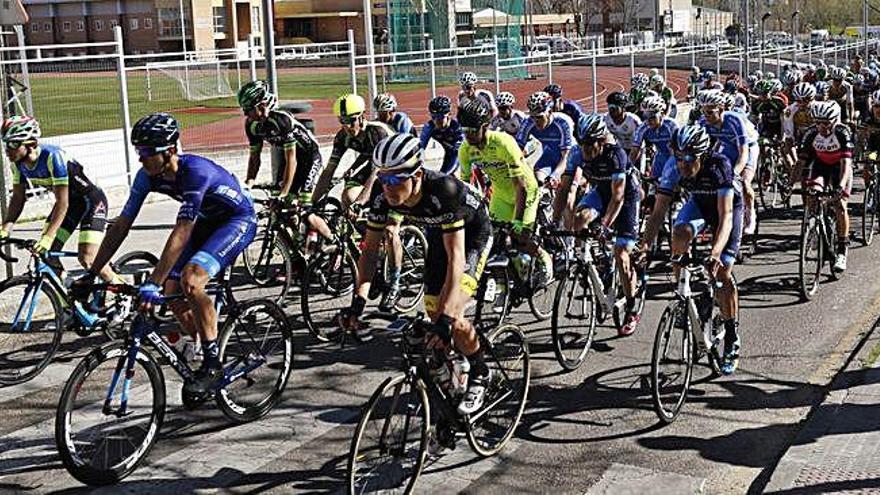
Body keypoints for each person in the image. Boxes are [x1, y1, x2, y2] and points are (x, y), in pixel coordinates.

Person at [76, 113, 257, 393]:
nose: (140, 158)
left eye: (147, 152)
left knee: (192, 280)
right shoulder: (147, 176)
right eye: (138, 151)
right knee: (173, 293)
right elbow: (122, 225)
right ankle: (203, 347)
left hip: (236, 220)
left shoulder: (195, 172)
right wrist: (92, 274)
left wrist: (151, 282)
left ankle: (212, 364)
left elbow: (182, 231)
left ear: (170, 150)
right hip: (206, 222)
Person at [338, 133, 494, 416]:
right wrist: (357, 303)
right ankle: (454, 363)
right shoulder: (382, 198)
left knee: (453, 317)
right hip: (438, 232)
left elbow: (456, 258)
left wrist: (448, 317)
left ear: (417, 174)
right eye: (383, 178)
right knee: (433, 312)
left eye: (396, 179)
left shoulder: (443, 191)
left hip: (472, 234)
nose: (387, 186)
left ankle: (481, 371)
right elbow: (371, 253)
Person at [639, 125, 744, 375]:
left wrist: (715, 253)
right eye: (678, 157)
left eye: (689, 158)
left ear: (702, 154)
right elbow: (658, 213)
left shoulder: (719, 166)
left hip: (727, 209)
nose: (683, 165)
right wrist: (644, 245)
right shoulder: (673, 167)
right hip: (698, 204)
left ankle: (732, 336)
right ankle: (682, 293)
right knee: (679, 233)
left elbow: (726, 215)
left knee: (722, 273)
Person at [0, 115, 120, 291]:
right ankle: (70, 300)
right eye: (5, 144)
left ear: (31, 144)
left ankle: (123, 294)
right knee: (46, 255)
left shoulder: (52, 157)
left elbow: (62, 202)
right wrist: (5, 227)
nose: (7, 150)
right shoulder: (18, 164)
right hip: (70, 206)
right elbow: (18, 198)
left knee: (88, 258)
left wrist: (48, 237)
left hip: (92, 202)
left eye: (13, 144)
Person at [311, 94, 404, 311]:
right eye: (342, 122)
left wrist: (362, 202)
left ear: (362, 117)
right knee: (347, 197)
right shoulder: (342, 137)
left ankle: (395, 282)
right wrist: (313, 202)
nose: (347, 126)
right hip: (374, 169)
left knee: (390, 229)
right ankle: (369, 243)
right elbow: (328, 172)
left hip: (397, 172)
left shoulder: (378, 132)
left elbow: (375, 174)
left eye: (351, 121)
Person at [458, 98, 553, 285]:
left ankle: (543, 258)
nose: (468, 136)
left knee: (520, 237)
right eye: (464, 131)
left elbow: (521, 186)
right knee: (492, 239)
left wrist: (517, 221)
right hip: (500, 194)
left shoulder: (504, 143)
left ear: (485, 127)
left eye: (472, 130)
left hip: (525, 191)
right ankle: (504, 286)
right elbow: (464, 187)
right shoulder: (465, 150)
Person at [565, 113, 643, 335]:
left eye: (590, 144)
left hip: (626, 197)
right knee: (580, 219)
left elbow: (618, 197)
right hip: (600, 191)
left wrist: (605, 225)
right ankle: (593, 263)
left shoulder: (615, 155)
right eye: (581, 144)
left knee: (621, 253)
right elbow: (565, 188)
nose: (585, 149)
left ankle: (631, 306)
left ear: (601, 141)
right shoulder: (576, 154)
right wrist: (559, 223)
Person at [237, 81, 332, 241]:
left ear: (261, 105)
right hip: (288, 161)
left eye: (248, 109)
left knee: (304, 209)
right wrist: (249, 182)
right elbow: (254, 158)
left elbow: (292, 160)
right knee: (277, 211)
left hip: (308, 159)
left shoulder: (281, 120)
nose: (246, 114)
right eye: (244, 110)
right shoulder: (252, 125)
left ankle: (334, 243)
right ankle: (295, 252)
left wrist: (284, 193)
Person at [799, 100, 853, 272]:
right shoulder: (811, 133)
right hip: (821, 166)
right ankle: (813, 228)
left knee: (840, 205)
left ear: (835, 120)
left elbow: (846, 164)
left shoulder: (842, 132)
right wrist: (789, 185)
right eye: (818, 122)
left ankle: (842, 250)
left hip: (839, 168)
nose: (822, 126)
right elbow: (800, 163)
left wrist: (841, 187)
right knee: (812, 193)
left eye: (826, 122)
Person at [699, 90, 760, 236]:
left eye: (709, 112)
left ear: (720, 110)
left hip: (748, 147)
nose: (705, 116)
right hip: (727, 146)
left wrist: (735, 173)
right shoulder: (703, 122)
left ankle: (750, 214)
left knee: (744, 182)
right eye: (703, 111)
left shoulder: (734, 120)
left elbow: (743, 152)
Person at [517, 91, 574, 185]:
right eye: (533, 117)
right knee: (538, 182)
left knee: (567, 189)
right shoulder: (528, 122)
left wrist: (555, 175)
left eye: (539, 117)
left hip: (568, 158)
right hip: (548, 160)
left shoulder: (563, 122)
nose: (535, 121)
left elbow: (566, 156)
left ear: (549, 112)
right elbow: (517, 149)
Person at [631, 95, 678, 180]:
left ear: (662, 114)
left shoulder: (671, 125)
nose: (648, 120)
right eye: (645, 116)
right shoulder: (643, 128)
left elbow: (675, 152)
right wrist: (628, 168)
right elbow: (634, 150)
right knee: (654, 183)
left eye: (652, 117)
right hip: (660, 155)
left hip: (674, 155)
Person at [420, 95, 464, 175]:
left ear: (449, 115)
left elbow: (457, 154)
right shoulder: (429, 127)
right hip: (449, 153)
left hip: (465, 153)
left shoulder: (457, 128)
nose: (436, 121)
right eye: (433, 117)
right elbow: (420, 148)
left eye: (440, 117)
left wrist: (444, 175)